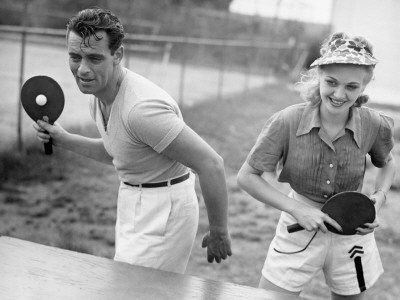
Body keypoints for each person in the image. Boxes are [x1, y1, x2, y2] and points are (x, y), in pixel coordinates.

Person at [33, 8, 232, 274]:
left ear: (118, 55)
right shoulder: (99, 95)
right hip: (132, 199)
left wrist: (219, 231)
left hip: (165, 210)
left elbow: (211, 164)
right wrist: (63, 139)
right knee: (125, 286)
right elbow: (119, 152)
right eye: (75, 56)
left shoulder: (142, 110)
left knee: (142, 292)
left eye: (94, 58)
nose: (82, 69)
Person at [237, 32, 396, 299]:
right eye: (331, 82)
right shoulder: (287, 121)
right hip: (298, 227)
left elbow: (388, 163)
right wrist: (297, 209)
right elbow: (247, 177)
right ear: (319, 75)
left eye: (351, 87)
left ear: (364, 87)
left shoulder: (374, 124)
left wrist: (376, 202)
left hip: (352, 230)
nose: (339, 94)